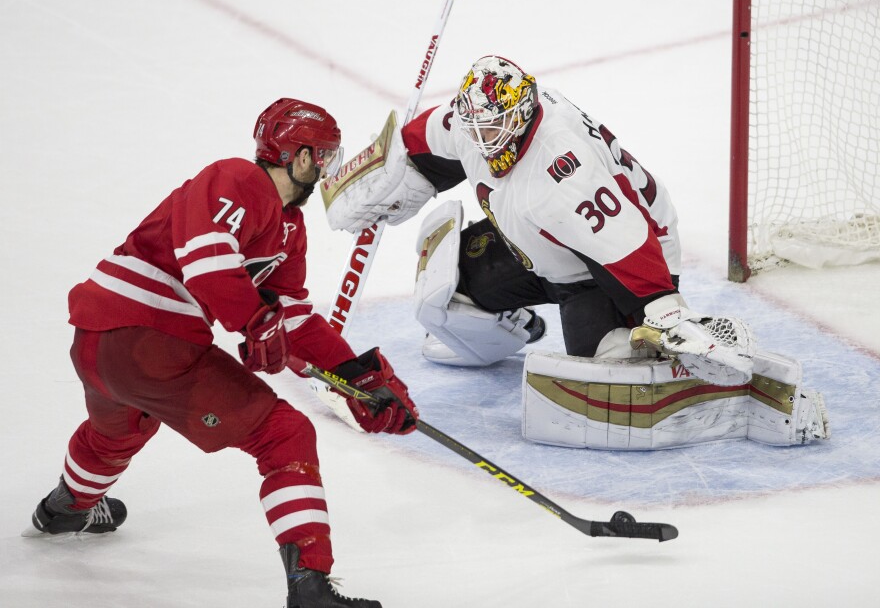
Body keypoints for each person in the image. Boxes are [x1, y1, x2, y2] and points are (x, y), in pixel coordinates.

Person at [323, 55, 830, 450]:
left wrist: (664, 311)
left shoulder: (560, 171)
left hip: (610, 261)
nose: (481, 141)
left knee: (606, 367)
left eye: (491, 130)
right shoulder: (478, 121)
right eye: (474, 130)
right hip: (541, 244)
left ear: (522, 116)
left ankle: (706, 376)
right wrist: (377, 189)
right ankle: (523, 323)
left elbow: (627, 243)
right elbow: (417, 145)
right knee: (446, 286)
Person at [26, 98, 418, 608]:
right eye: (323, 155)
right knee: (284, 433)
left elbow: (294, 316)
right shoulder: (237, 179)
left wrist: (356, 373)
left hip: (98, 346)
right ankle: (311, 589)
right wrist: (255, 321)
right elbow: (206, 263)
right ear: (299, 156)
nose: (325, 168)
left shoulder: (289, 229)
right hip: (150, 339)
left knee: (121, 427)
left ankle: (67, 507)